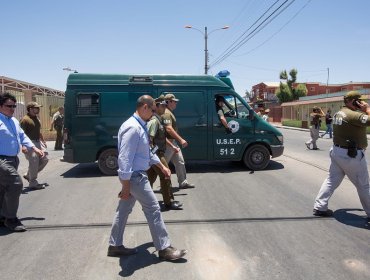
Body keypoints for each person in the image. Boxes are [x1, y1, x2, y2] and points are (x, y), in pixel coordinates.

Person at [108, 95, 187, 261]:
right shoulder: (133, 128)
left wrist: (162, 166)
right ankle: (164, 248)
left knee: (123, 211)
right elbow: (124, 159)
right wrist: (126, 185)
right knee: (153, 209)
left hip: (134, 177)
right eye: (152, 110)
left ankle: (115, 245)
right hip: (135, 177)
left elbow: (148, 152)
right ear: (144, 107)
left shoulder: (140, 125)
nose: (153, 113)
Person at [313, 91, 370, 220]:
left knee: (331, 180)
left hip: (338, 152)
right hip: (351, 156)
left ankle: (320, 207)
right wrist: (367, 109)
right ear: (352, 101)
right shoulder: (353, 115)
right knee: (363, 185)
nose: (361, 102)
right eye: (358, 100)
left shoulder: (339, 113)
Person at [0, 92, 44, 232]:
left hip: (13, 159)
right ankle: (11, 218)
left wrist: (34, 148)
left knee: (2, 188)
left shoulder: (13, 121)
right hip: (1, 160)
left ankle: (2, 216)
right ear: (0, 106)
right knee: (16, 183)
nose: (12, 108)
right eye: (9, 106)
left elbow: (22, 135)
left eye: (14, 106)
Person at [147, 95, 183, 210]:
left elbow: (162, 137)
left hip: (157, 152)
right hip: (157, 153)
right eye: (162, 105)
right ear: (156, 107)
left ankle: (147, 202)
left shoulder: (158, 119)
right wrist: (153, 155)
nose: (164, 107)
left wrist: (172, 145)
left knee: (149, 179)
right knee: (166, 175)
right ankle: (169, 202)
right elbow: (149, 139)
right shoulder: (154, 121)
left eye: (164, 105)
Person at [163, 93, 195, 189]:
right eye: (174, 102)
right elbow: (168, 129)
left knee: (180, 161)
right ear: (168, 102)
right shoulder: (166, 113)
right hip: (168, 143)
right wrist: (181, 139)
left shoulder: (169, 112)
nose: (176, 103)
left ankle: (183, 182)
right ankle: (159, 185)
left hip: (173, 143)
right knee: (162, 165)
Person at [20, 102, 49, 190]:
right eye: (36, 108)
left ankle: (29, 175)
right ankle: (33, 182)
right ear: (30, 109)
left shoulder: (36, 118)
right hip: (29, 144)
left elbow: (38, 130)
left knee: (45, 159)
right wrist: (23, 146)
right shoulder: (25, 120)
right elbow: (21, 134)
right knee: (34, 161)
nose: (38, 109)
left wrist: (42, 140)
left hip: (37, 142)